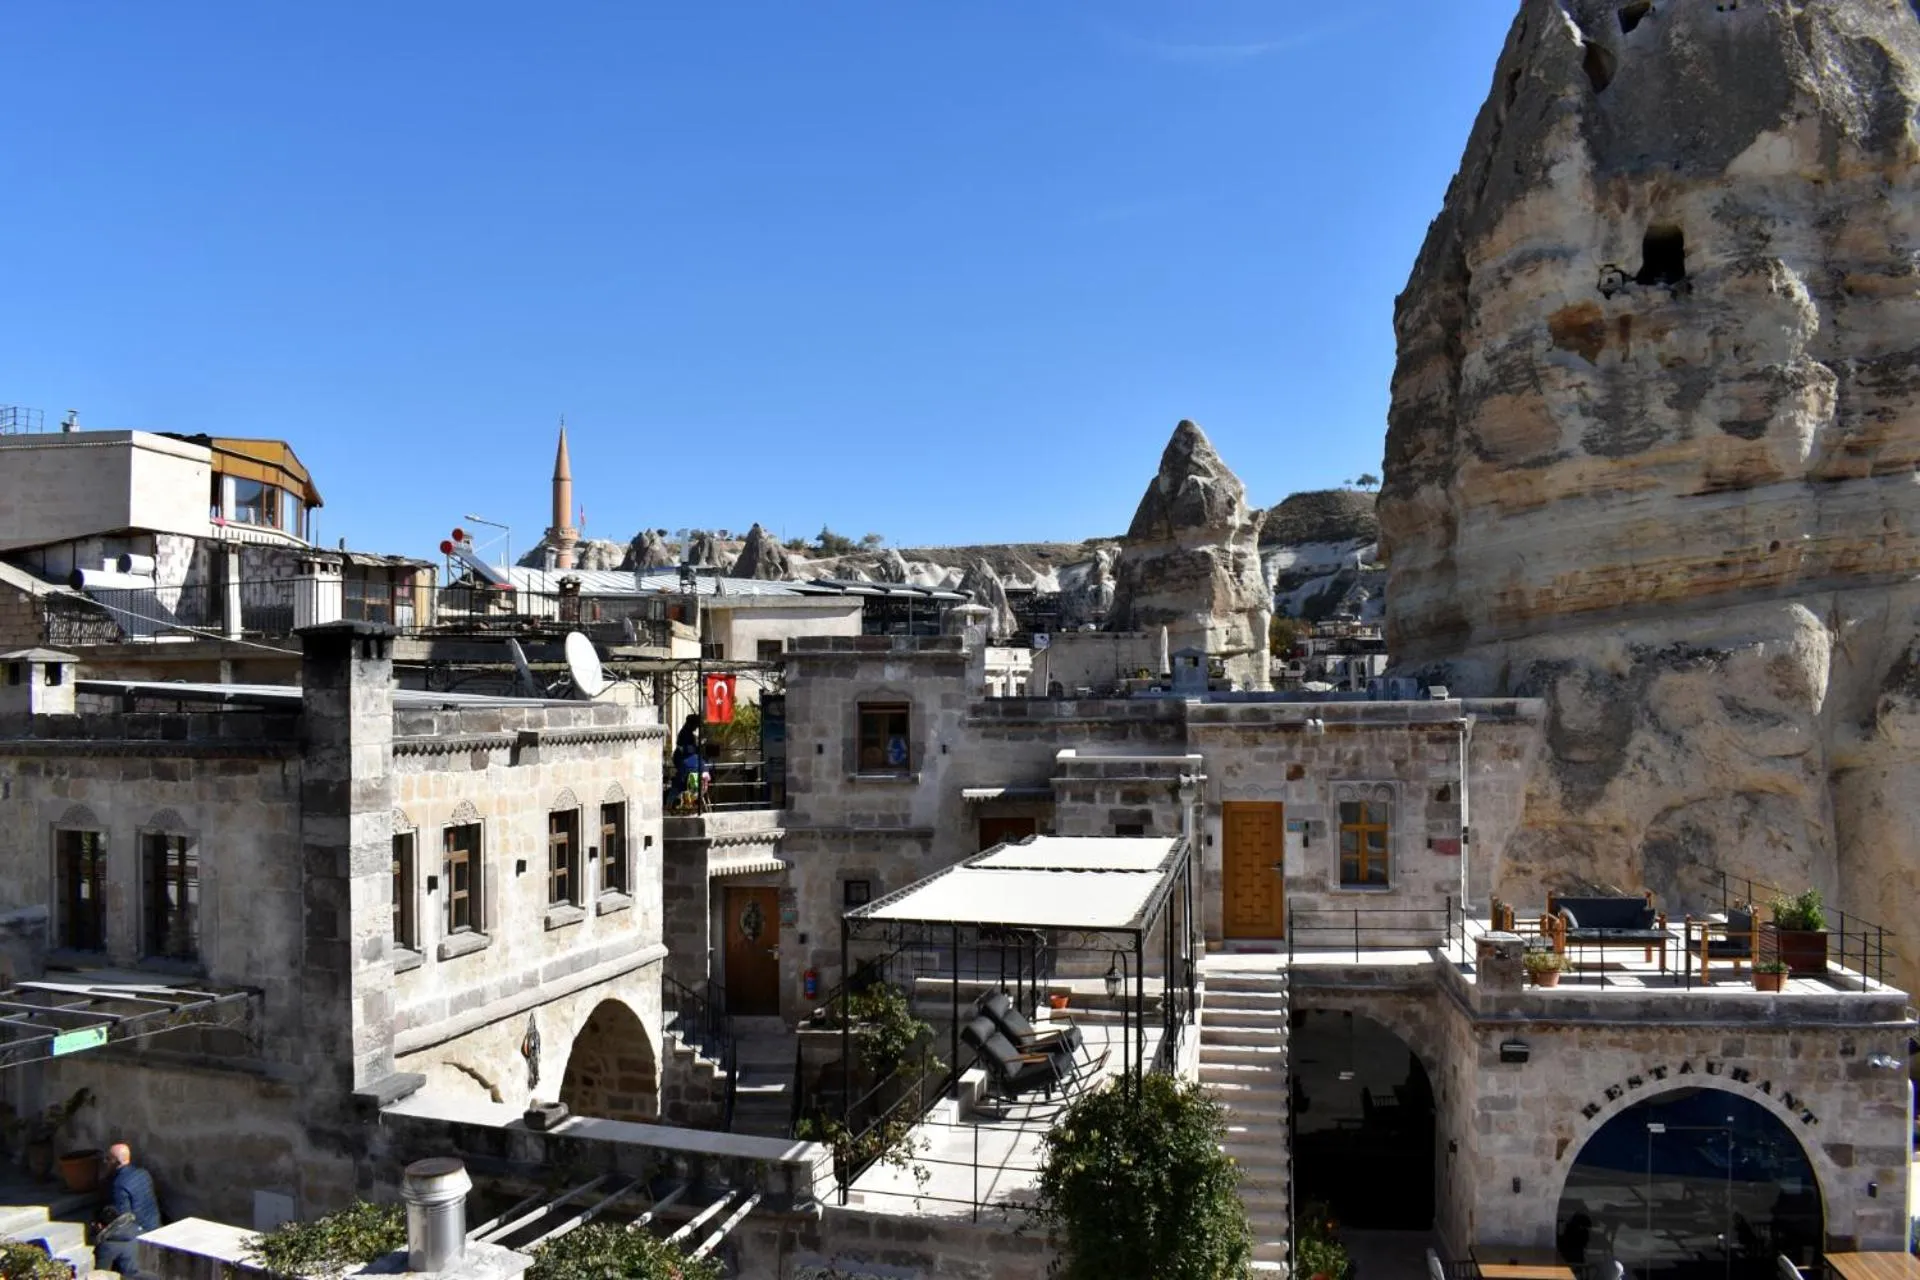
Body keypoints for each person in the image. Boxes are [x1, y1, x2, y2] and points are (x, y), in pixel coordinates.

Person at [93, 1144, 161, 1277]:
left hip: (138, 1233)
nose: (105, 1162)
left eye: (108, 1159)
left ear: (116, 1162)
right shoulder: (143, 1174)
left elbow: (123, 1219)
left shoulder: (118, 1185)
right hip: (154, 1224)